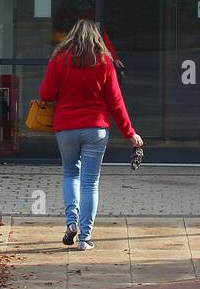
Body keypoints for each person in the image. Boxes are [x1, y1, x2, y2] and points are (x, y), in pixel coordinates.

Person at [38, 19, 142, 250]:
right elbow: (116, 102)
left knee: (70, 175)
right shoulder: (104, 61)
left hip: (66, 127)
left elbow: (46, 94)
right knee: (90, 182)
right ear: (97, 38)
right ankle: (85, 238)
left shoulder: (59, 59)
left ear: (72, 36)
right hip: (96, 129)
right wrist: (130, 133)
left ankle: (71, 223)